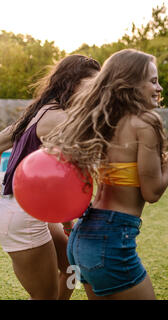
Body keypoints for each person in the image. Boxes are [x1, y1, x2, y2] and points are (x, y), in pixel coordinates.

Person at [44, 49, 168, 300]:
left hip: (81, 239)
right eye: (153, 81)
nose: (160, 88)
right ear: (130, 84)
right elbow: (152, 192)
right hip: (111, 241)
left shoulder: (103, 119)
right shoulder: (146, 122)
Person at [0, 55, 101, 300]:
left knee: (72, 267)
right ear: (72, 83)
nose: (97, 92)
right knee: (44, 295)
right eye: (93, 85)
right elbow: (99, 155)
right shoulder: (59, 118)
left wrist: (66, 222)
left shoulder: (40, 111)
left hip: (32, 209)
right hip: (21, 215)